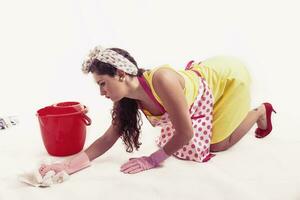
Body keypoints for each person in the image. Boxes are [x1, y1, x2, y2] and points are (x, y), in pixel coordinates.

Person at [39, 46, 276, 176]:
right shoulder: (128, 98)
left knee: (217, 145)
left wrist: (153, 160)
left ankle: (259, 112)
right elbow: (109, 137)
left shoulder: (161, 79)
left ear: (121, 74)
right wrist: (69, 166)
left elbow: (186, 133)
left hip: (228, 77)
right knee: (202, 141)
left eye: (102, 83)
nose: (101, 91)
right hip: (201, 86)